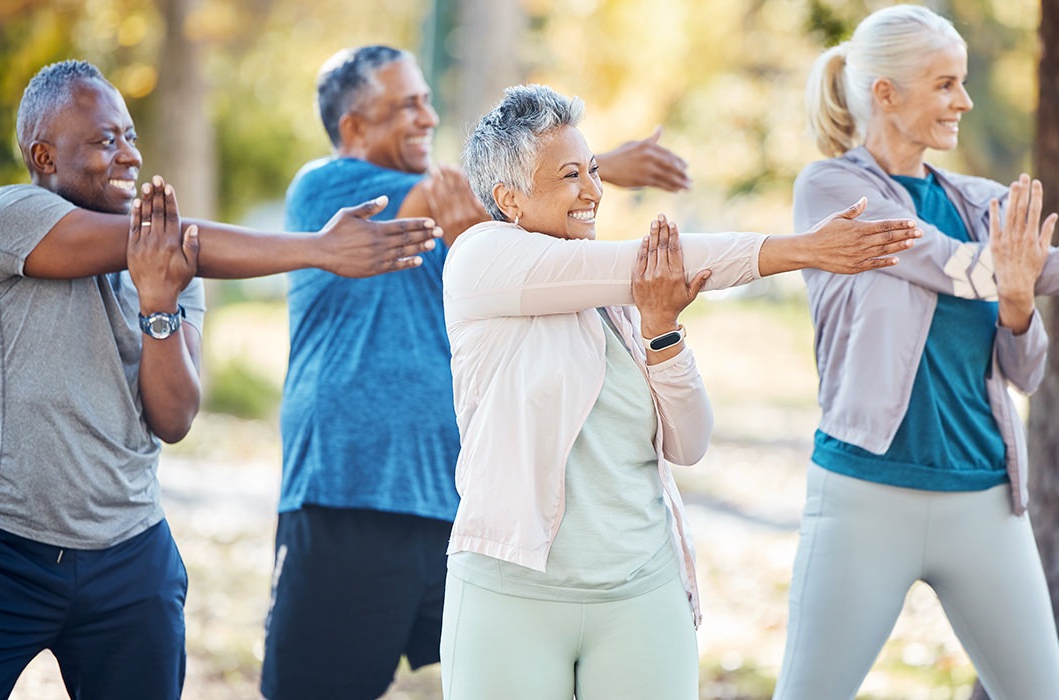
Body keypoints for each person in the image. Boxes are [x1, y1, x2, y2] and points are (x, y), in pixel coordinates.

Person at [438, 83, 920, 700]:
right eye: (569, 176)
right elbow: (647, 262)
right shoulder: (480, 260)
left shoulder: (621, 304)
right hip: (511, 593)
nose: (592, 191)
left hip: (642, 591)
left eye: (593, 170)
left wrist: (663, 330)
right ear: (509, 199)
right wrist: (799, 250)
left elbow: (690, 444)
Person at [0, 59, 440, 700]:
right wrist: (315, 248)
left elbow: (172, 419)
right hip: (2, 551)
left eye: (131, 136)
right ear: (44, 156)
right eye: (104, 141)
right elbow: (171, 240)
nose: (129, 156)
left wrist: (160, 305)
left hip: (129, 555)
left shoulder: (174, 258)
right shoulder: (3, 219)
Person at [259, 44, 707, 700]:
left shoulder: (484, 230)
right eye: (406, 104)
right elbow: (469, 190)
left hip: (459, 502)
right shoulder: (327, 190)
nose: (427, 115)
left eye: (426, 99)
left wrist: (582, 171)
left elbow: (520, 198)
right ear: (353, 129)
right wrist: (608, 162)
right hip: (351, 493)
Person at [773, 6, 1059, 699]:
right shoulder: (832, 192)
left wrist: (1019, 306)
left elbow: (1025, 368)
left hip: (985, 498)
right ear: (886, 93)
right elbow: (948, 264)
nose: (963, 100)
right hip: (865, 496)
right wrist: (1014, 272)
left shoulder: (975, 203)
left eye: (961, 83)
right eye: (944, 84)